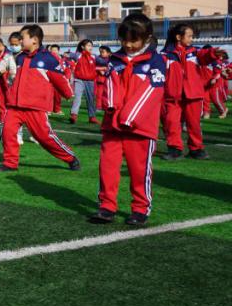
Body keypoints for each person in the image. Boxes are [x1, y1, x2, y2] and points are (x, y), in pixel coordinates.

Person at [89, 14, 166, 227]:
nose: (129, 45)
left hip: (141, 127)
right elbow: (110, 84)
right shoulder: (115, 59)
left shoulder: (156, 61)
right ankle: (106, 206)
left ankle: (140, 208)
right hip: (113, 125)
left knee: (139, 169)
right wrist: (112, 107)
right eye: (124, 40)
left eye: (134, 40)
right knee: (107, 166)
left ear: (147, 38)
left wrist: (129, 117)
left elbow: (152, 92)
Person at [0, 24, 79, 173]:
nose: (20, 41)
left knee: (44, 138)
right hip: (15, 105)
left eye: (22, 38)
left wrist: (68, 94)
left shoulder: (48, 59)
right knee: (7, 132)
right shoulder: (19, 57)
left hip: (36, 107)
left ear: (34, 40)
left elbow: (59, 79)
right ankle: (10, 163)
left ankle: (70, 157)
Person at [160, 24, 220, 160]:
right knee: (171, 122)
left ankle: (196, 149)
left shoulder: (195, 52)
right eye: (190, 36)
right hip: (172, 95)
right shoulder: (165, 55)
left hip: (193, 94)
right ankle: (174, 149)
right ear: (178, 37)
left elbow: (205, 56)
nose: (192, 39)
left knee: (194, 124)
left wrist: (213, 53)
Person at [70, 40, 99, 124]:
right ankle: (74, 115)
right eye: (88, 45)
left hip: (90, 81)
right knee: (77, 97)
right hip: (79, 80)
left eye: (91, 46)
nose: (90, 47)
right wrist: (66, 54)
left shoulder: (94, 56)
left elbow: (103, 61)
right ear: (83, 47)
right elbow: (69, 55)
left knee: (91, 99)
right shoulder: (78, 55)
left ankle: (92, 117)